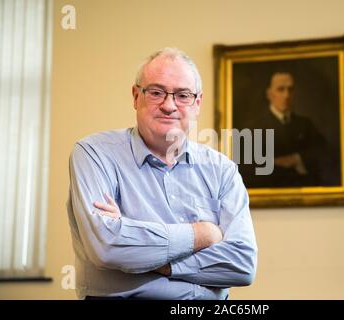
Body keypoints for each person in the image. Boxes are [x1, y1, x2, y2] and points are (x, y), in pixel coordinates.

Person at [66, 48, 258, 300]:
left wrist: (154, 258)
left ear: (197, 103)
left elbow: (242, 264)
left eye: (182, 95)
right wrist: (204, 234)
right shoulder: (94, 154)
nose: (169, 105)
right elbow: (107, 247)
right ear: (136, 96)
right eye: (156, 92)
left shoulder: (222, 170)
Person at [242, 72, 328, 188]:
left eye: (290, 90)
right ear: (269, 94)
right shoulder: (253, 129)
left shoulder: (305, 124)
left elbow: (324, 154)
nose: (286, 95)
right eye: (280, 89)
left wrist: (297, 159)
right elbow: (247, 170)